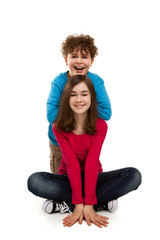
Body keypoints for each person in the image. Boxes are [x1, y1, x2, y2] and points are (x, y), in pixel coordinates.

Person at [28, 75, 142, 228]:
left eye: (84, 94)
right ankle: (97, 202)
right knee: (34, 181)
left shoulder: (101, 125)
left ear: (91, 98)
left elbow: (91, 162)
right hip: (68, 177)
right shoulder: (59, 127)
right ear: (66, 100)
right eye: (73, 95)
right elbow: (72, 165)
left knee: (133, 175)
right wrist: (81, 202)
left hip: (94, 176)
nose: (79, 99)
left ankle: (70, 204)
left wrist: (86, 204)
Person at [47, 34, 112, 174]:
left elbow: (106, 112)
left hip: (86, 142)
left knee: (87, 176)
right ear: (66, 60)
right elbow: (51, 115)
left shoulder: (96, 81)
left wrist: (81, 104)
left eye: (84, 56)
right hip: (60, 145)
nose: (79, 61)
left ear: (92, 61)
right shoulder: (59, 82)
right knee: (62, 183)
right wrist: (80, 106)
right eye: (74, 56)